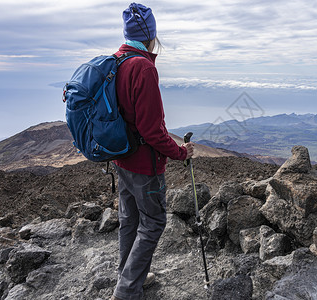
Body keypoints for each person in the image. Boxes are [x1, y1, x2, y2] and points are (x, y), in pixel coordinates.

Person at [110, 3, 194, 300]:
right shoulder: (142, 67)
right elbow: (152, 130)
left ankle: (132, 277)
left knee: (129, 220)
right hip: (145, 165)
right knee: (154, 221)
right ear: (151, 34)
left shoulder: (116, 61)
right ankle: (127, 290)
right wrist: (181, 153)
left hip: (122, 158)